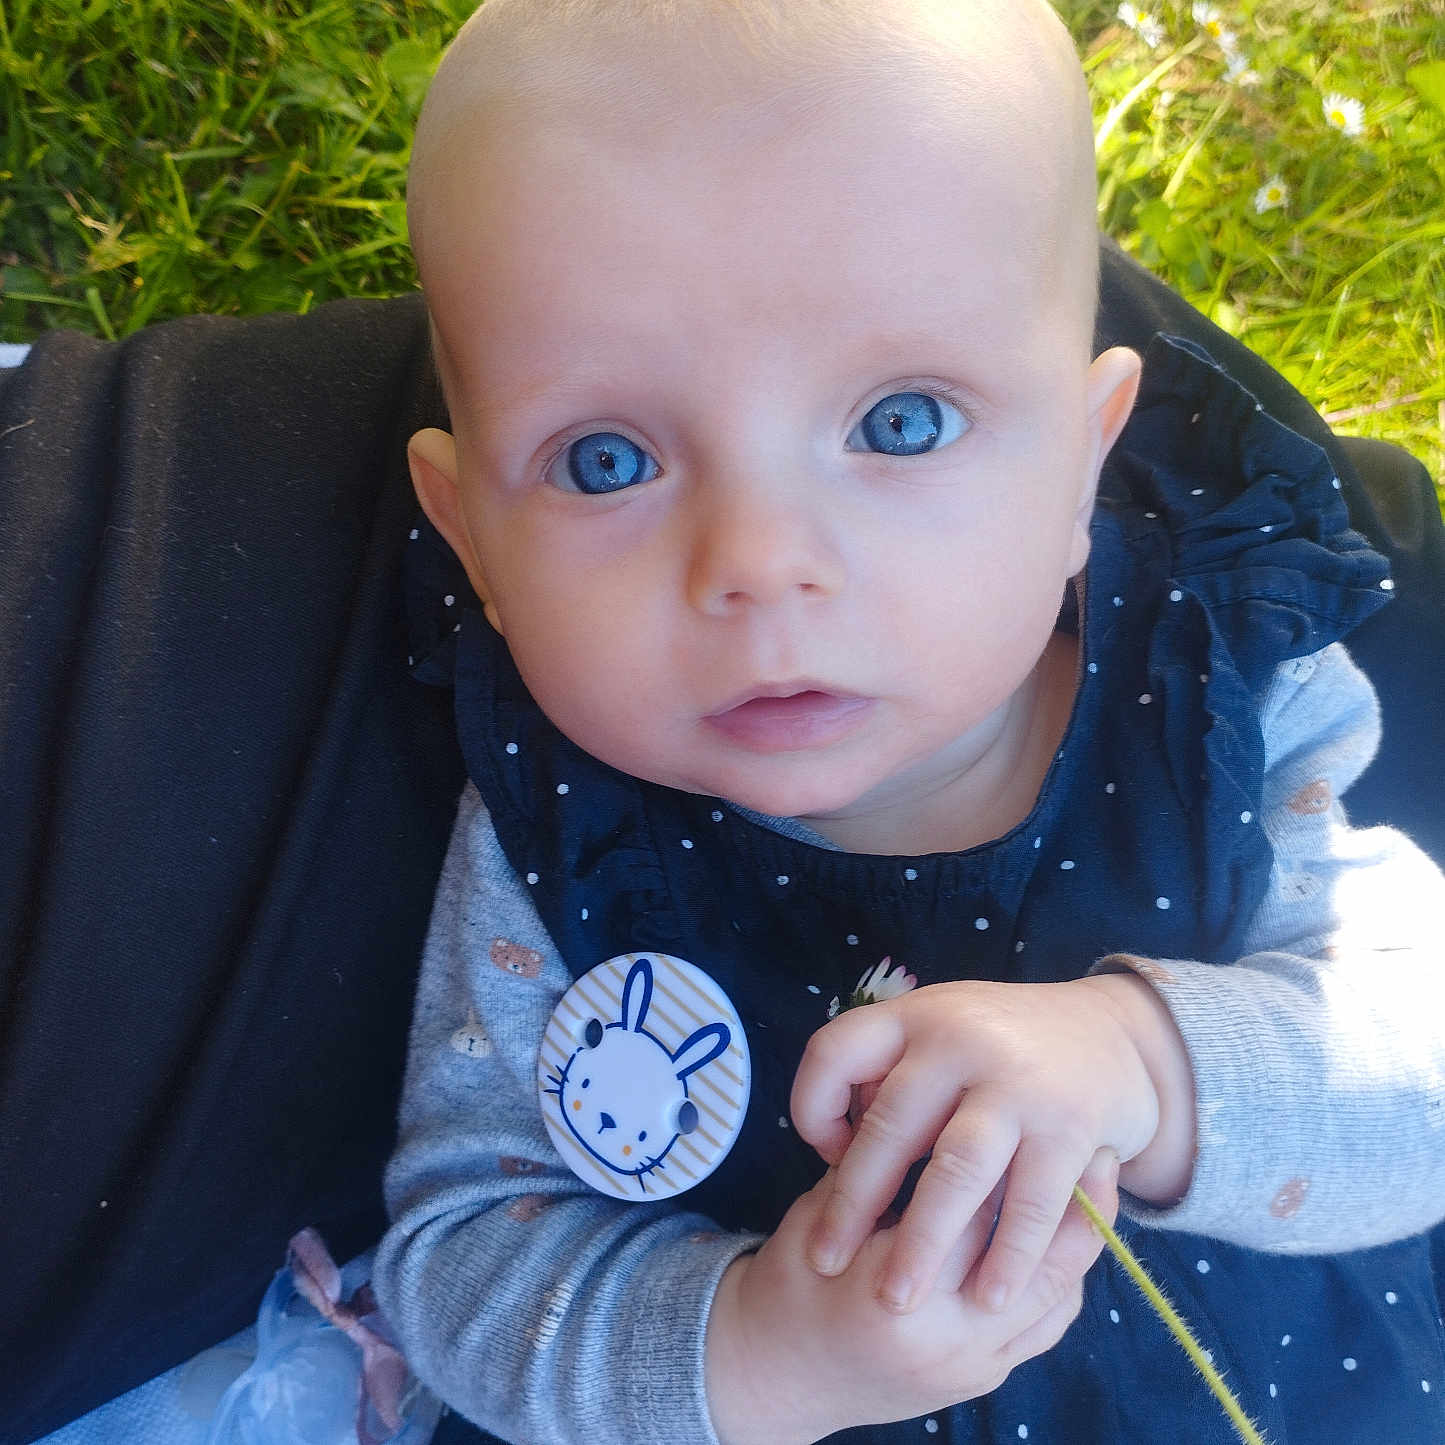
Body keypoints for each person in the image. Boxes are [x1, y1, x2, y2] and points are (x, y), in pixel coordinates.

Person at [371, 0, 1445, 1442]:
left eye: (899, 425)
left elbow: (1418, 1071)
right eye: (607, 459)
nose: (756, 559)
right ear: (471, 540)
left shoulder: (1221, 709)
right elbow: (464, 1255)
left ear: (1082, 463)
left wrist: (1142, 1063)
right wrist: (750, 1352)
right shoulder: (554, 832)